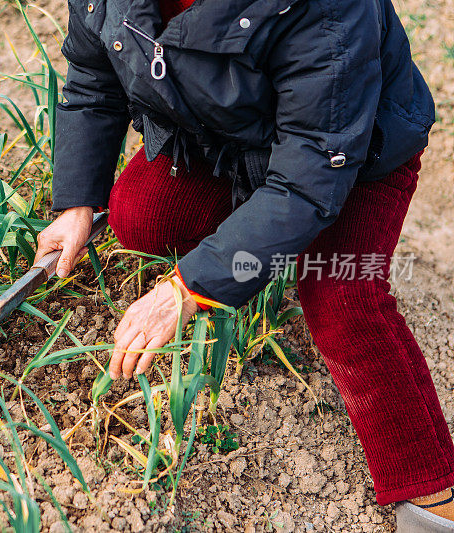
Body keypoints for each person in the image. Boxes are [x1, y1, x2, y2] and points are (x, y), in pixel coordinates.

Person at [33, 0, 454, 529]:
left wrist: (188, 287)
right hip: (232, 138)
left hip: (354, 152)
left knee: (341, 301)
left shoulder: (325, 10)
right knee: (140, 213)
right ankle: (263, 238)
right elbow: (94, 81)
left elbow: (309, 179)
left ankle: (432, 489)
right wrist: (76, 200)